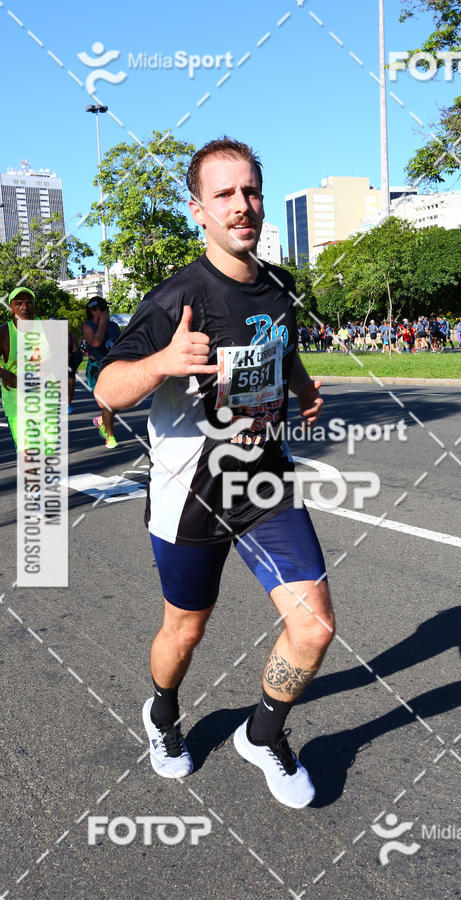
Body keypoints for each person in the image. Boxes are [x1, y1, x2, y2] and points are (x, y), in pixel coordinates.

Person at [95, 137, 335, 808]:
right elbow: (109, 389)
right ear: (198, 209)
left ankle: (263, 734)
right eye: (225, 194)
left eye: (251, 191)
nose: (243, 205)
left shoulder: (280, 285)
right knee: (186, 630)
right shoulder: (176, 299)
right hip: (191, 498)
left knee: (313, 627)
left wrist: (305, 387)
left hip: (263, 484)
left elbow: (279, 351)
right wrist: (163, 364)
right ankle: (163, 713)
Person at [0, 288, 37, 448]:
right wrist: (3, 373)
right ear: (11, 309)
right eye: (19, 303)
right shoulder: (4, 333)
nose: (25, 307)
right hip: (14, 398)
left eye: (29, 303)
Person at [82, 297, 120, 448]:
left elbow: (119, 345)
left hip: (113, 367)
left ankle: (101, 421)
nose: (106, 312)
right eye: (102, 310)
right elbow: (96, 342)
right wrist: (103, 323)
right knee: (108, 403)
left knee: (118, 402)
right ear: (92, 311)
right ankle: (110, 437)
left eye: (106, 309)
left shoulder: (114, 326)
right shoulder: (87, 325)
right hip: (96, 368)